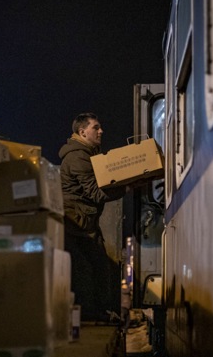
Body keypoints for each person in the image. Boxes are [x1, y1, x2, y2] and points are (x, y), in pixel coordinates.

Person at [58, 112, 126, 322]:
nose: (101, 131)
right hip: (77, 225)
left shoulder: (87, 154)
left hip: (83, 223)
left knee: (97, 268)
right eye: (95, 127)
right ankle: (91, 314)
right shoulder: (78, 157)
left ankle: (97, 313)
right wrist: (126, 187)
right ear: (82, 132)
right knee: (89, 270)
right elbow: (95, 192)